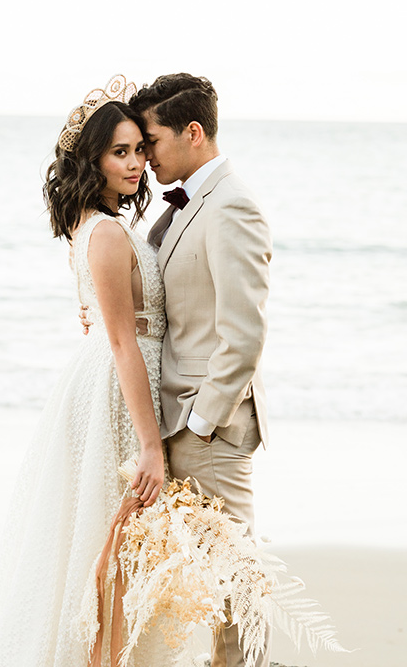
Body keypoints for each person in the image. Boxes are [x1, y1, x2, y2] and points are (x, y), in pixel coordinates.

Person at [0, 75, 174, 667]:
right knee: (108, 550)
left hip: (110, 377)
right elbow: (122, 344)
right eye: (121, 152)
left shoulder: (99, 223)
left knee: (111, 548)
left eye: (140, 149)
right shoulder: (106, 233)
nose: (136, 163)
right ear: (94, 159)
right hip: (115, 391)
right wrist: (151, 448)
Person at [82, 73, 273, 667]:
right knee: (193, 589)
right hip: (172, 423)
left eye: (153, 140)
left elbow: (243, 336)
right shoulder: (186, 205)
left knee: (235, 586)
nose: (147, 155)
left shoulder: (232, 204)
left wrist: (202, 425)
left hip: (206, 429)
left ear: (193, 133)